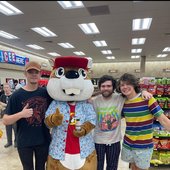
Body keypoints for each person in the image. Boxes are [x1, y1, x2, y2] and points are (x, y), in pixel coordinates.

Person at [91, 75, 152, 170]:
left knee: (112, 167)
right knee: (97, 166)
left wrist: (143, 91)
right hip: (97, 141)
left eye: (108, 86)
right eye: (103, 86)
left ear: (114, 87)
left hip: (114, 141)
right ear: (99, 87)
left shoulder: (120, 98)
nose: (106, 88)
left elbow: (132, 92)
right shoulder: (94, 100)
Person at [2, 61, 52, 170]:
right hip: (24, 142)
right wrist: (21, 114)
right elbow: (5, 120)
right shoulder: (16, 95)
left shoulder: (46, 93)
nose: (33, 74)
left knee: (41, 168)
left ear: (40, 74)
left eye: (36, 72)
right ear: (25, 74)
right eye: (30, 72)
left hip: (43, 140)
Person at [117, 73, 170, 170]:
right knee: (132, 167)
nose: (125, 87)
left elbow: (163, 120)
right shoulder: (123, 102)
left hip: (143, 146)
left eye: (127, 84)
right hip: (128, 143)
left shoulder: (148, 99)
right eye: (122, 85)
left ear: (134, 84)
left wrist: (143, 92)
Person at [0, 83, 17, 147]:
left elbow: (14, 106)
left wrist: (5, 105)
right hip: (6, 115)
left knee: (15, 129)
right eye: (5, 88)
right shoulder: (2, 96)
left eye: (7, 87)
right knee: (8, 129)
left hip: (13, 115)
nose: (6, 89)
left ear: (10, 88)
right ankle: (9, 142)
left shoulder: (13, 96)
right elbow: (1, 105)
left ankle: (16, 142)